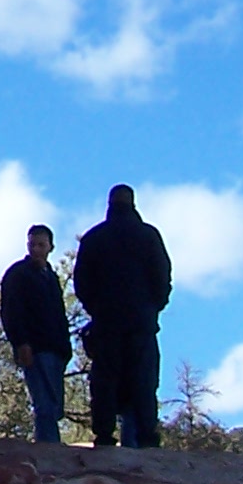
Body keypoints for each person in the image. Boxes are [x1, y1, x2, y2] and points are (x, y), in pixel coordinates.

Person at [72, 183, 171, 449]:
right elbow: (162, 276)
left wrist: (96, 309)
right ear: (133, 204)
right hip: (141, 322)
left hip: (106, 322)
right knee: (144, 379)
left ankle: (104, 436)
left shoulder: (94, 238)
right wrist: (153, 307)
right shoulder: (148, 236)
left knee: (105, 380)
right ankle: (147, 437)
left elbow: (81, 282)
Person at [0, 223, 72, 443]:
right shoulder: (18, 274)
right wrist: (21, 343)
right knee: (44, 403)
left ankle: (50, 443)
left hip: (55, 348)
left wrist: (65, 349)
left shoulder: (51, 278)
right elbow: (11, 311)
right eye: (33, 245)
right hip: (35, 347)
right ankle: (49, 448)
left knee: (55, 403)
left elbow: (59, 314)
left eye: (41, 245)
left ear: (51, 247)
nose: (36, 250)